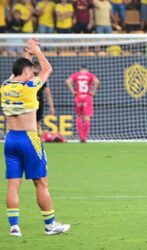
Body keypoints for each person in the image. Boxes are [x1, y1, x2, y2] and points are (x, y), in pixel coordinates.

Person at [1, 38, 70, 237]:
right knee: (41, 182)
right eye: (31, 70)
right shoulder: (30, 88)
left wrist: (27, 54)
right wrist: (37, 51)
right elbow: (47, 69)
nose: (33, 72)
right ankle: (50, 225)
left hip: (11, 139)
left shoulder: (5, 86)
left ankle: (14, 226)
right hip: (29, 139)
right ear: (25, 73)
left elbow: (20, 69)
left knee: (13, 184)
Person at [66, 65, 100, 142]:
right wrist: (93, 91)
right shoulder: (89, 75)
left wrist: (72, 91)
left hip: (78, 97)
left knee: (79, 117)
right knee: (87, 117)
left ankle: (81, 137)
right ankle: (85, 137)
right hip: (87, 97)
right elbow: (97, 81)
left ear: (81, 69)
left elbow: (68, 81)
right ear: (87, 69)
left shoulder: (76, 74)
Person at [34, 61, 55, 131]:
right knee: (35, 122)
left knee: (32, 122)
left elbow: (48, 93)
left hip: (32, 102)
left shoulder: (28, 77)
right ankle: (34, 138)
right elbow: (48, 94)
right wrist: (51, 107)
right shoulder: (41, 78)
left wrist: (51, 106)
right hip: (36, 102)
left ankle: (32, 138)